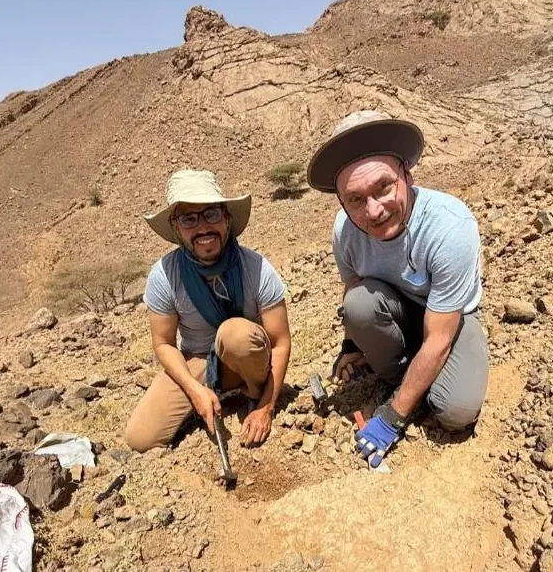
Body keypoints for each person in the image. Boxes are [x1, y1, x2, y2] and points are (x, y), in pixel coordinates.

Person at [306, 110, 489, 468]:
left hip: (450, 319)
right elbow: (353, 288)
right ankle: (400, 375)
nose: (374, 211)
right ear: (342, 201)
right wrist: (349, 346)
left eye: (383, 187)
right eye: (355, 199)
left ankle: (410, 390)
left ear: (407, 174)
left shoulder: (448, 226)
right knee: (358, 305)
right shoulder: (345, 231)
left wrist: (392, 417)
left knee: (455, 411)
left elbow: (438, 339)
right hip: (399, 309)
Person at [125, 169, 291, 452]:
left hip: (251, 358)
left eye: (211, 214)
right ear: (176, 228)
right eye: (189, 218)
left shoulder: (256, 267)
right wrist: (194, 389)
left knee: (234, 333)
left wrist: (266, 407)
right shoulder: (165, 275)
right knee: (140, 437)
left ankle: (252, 392)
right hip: (199, 360)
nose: (202, 228)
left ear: (226, 219)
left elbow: (280, 342)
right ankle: (214, 393)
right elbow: (163, 343)